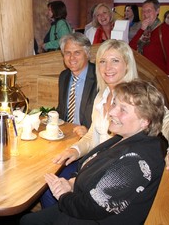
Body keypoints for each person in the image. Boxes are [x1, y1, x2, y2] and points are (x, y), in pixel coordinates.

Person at [21, 79, 166, 224]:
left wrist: (63, 195)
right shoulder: (122, 138)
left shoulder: (136, 160)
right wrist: (72, 182)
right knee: (27, 220)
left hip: (91, 218)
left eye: (123, 110)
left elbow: (92, 207)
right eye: (114, 104)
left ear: (145, 120)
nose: (112, 112)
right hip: (81, 203)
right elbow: (92, 169)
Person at [54, 39, 169, 182]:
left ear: (127, 65)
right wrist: (75, 150)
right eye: (103, 61)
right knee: (53, 172)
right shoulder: (102, 95)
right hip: (94, 163)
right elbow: (92, 136)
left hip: (115, 173)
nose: (108, 67)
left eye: (115, 61)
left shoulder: (138, 96)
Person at [40, 32, 98, 208]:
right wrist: (48, 118)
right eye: (67, 53)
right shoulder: (64, 76)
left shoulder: (100, 77)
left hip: (89, 148)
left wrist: (88, 131)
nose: (71, 57)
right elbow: (62, 112)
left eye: (77, 52)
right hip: (65, 140)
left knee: (49, 188)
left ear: (87, 53)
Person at [130, 0, 169, 76]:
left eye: (149, 11)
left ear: (157, 11)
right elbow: (131, 48)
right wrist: (142, 29)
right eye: (143, 11)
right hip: (142, 74)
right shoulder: (143, 30)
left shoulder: (164, 29)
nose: (145, 14)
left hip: (159, 76)